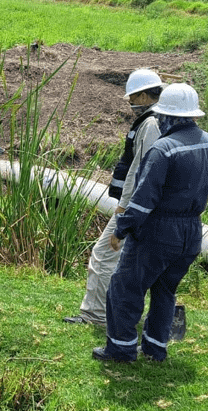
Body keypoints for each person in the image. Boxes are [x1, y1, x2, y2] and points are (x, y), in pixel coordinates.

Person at [94, 83, 208, 363]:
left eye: (162, 115)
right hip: (191, 231)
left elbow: (143, 199)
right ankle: (155, 348)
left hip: (159, 230)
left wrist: (122, 229)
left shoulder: (164, 149)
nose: (160, 120)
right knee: (165, 291)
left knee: (125, 288)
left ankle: (120, 349)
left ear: (169, 117)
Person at [64, 68, 164, 326]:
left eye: (133, 97)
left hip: (135, 206)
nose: (130, 103)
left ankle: (96, 316)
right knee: (131, 263)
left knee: (103, 255)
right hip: (150, 207)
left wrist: (123, 210)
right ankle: (129, 315)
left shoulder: (151, 124)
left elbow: (141, 171)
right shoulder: (163, 118)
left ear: (143, 95)